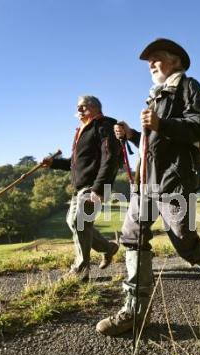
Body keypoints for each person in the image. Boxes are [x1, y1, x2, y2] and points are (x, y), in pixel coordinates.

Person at [96, 38, 200, 337]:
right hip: (146, 182)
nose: (151, 64)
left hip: (175, 181)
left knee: (184, 241)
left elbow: (198, 126)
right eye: (149, 61)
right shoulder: (155, 96)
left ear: (175, 61)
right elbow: (154, 147)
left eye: (156, 58)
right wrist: (133, 134)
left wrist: (161, 124)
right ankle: (134, 312)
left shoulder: (189, 87)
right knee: (132, 238)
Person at [42, 95, 121, 281]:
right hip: (82, 187)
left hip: (95, 186)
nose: (78, 110)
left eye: (83, 107)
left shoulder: (104, 125)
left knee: (79, 222)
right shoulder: (82, 131)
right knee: (75, 222)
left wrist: (99, 187)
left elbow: (110, 157)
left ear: (96, 108)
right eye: (78, 107)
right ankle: (108, 248)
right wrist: (53, 163)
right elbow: (75, 164)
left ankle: (80, 270)